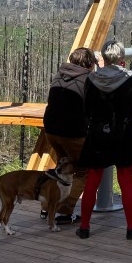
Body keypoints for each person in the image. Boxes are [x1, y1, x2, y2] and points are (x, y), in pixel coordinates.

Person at [75, 40, 132, 240]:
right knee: (126, 183)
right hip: (124, 135)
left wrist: (97, 124)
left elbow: (86, 109)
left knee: (92, 182)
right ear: (122, 58)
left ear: (103, 58)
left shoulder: (92, 79)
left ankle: (85, 227)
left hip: (97, 135)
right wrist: (128, 123)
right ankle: (131, 228)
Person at [42, 46, 96, 224]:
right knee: (81, 171)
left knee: (61, 167)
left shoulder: (60, 74)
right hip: (72, 133)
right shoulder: (88, 79)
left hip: (51, 130)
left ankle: (46, 208)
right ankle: (64, 212)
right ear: (89, 64)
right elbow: (92, 108)